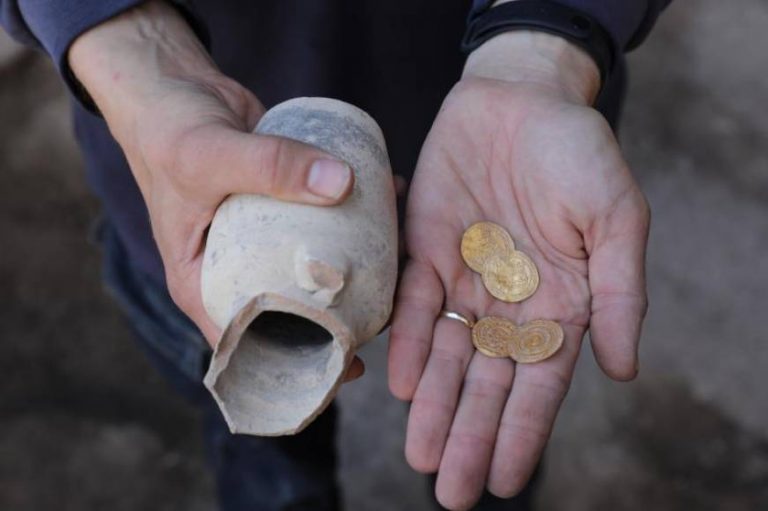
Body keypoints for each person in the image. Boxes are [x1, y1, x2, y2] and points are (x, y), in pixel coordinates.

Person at [0, 0, 671, 509]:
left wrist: (548, 39)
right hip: (194, 176)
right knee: (264, 447)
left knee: (483, 439)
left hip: (505, 161)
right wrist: (124, 39)